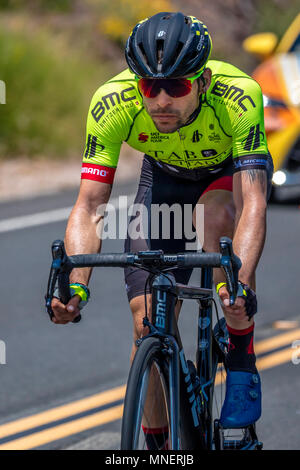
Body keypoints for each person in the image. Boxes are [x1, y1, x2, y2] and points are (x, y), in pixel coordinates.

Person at [51, 11, 273, 447]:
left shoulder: (239, 97)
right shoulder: (112, 102)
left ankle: (241, 353)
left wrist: (239, 283)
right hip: (165, 179)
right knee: (146, 323)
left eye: (177, 86)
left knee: (218, 228)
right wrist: (75, 288)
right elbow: (90, 204)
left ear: (204, 82)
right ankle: (156, 447)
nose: (161, 100)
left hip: (222, 177)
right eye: (150, 87)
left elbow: (255, 204)